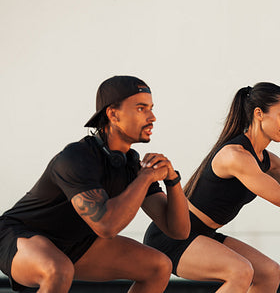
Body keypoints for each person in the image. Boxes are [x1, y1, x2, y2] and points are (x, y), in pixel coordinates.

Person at [144, 82, 280, 292]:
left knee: (269, 272)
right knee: (240, 271)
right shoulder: (235, 155)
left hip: (205, 234)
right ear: (259, 113)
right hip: (171, 237)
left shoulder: (267, 160)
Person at [0, 76, 190, 292]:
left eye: (151, 108)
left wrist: (172, 180)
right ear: (113, 114)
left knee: (158, 267)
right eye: (141, 108)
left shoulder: (132, 166)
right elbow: (106, 226)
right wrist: (146, 178)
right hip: (19, 235)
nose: (152, 117)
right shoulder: (76, 157)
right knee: (58, 270)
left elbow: (179, 231)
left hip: (75, 244)